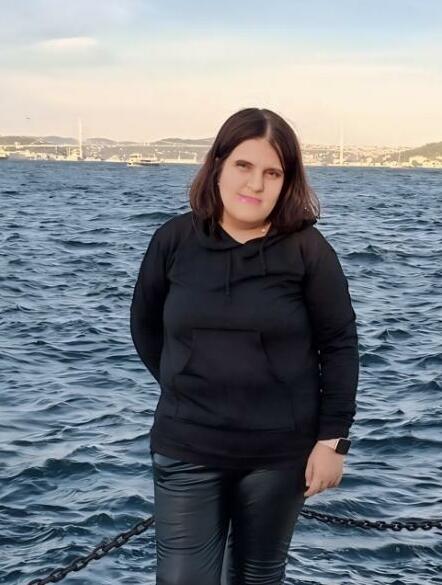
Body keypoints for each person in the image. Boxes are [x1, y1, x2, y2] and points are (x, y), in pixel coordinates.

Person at [130, 107, 359, 585]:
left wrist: (332, 441)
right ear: (217, 165)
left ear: (287, 182)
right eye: (243, 165)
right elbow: (145, 328)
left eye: (272, 172)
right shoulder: (173, 240)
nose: (255, 184)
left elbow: (339, 345)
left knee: (257, 578)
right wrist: (188, 382)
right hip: (187, 445)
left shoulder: (308, 250)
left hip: (279, 455)